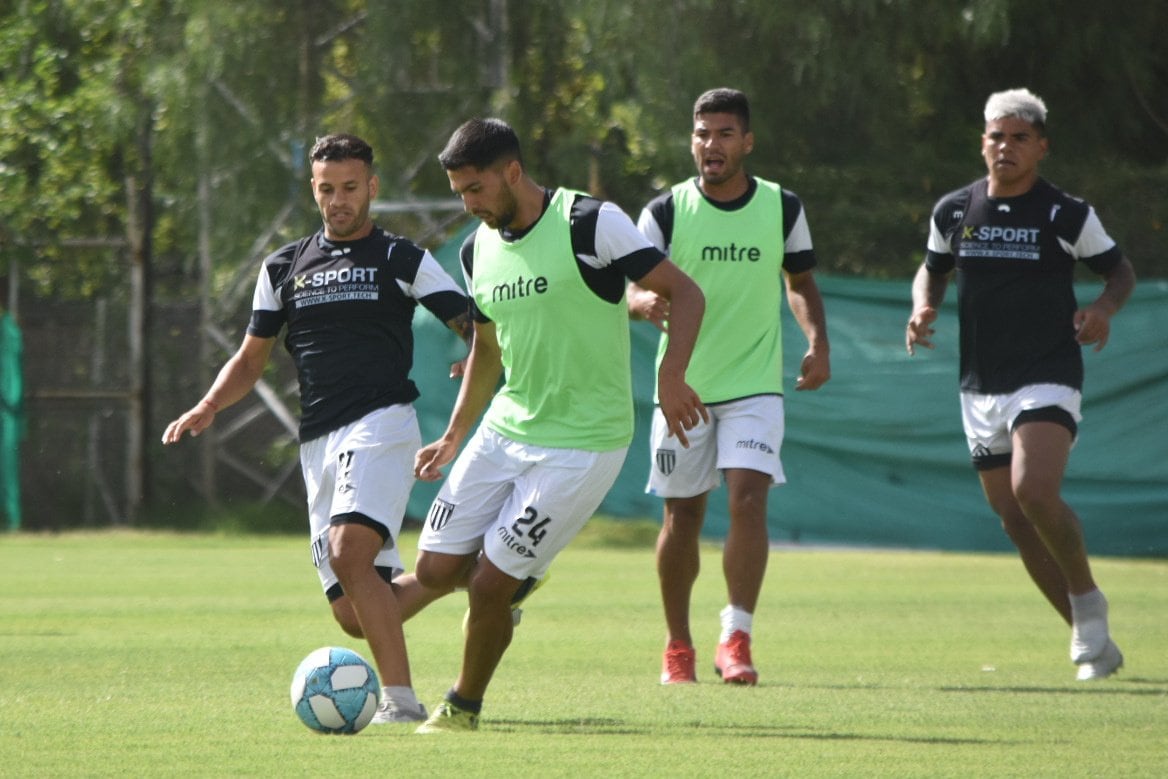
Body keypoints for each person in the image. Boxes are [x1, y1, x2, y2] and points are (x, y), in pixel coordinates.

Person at [410, 117, 707, 733]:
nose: (468, 204)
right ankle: (517, 578)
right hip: (505, 431)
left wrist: (671, 377)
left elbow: (686, 293)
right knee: (437, 571)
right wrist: (454, 434)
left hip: (583, 444)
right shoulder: (475, 249)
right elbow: (488, 354)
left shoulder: (590, 223)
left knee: (489, 585)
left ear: (512, 172)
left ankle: (463, 706)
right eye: (459, 192)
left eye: (475, 189)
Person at [162, 133, 470, 722]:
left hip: (381, 423)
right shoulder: (283, 267)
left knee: (348, 552)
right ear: (313, 189)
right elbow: (251, 359)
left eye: (350, 188)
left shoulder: (400, 258)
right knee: (354, 613)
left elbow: (470, 321)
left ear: (372, 188)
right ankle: (476, 573)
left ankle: (401, 702)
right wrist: (208, 405)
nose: (339, 201)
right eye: (327, 190)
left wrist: (473, 351)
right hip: (318, 443)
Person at [906, 88, 1136, 681]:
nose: (1004, 147)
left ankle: (1087, 601)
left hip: (1048, 373)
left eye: (1018, 138)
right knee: (1013, 519)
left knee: (1034, 491)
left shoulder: (1066, 214)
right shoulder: (954, 211)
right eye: (995, 136)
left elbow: (1118, 270)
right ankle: (1095, 642)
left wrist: (1104, 308)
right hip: (980, 383)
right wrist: (922, 308)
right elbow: (931, 272)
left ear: (1041, 148)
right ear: (982, 143)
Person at [627, 88, 831, 686]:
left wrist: (817, 342)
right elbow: (631, 284)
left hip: (755, 385)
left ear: (747, 142)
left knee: (747, 498)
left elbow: (800, 282)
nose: (710, 145)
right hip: (682, 388)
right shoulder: (664, 211)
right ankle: (678, 646)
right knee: (682, 518)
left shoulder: (782, 207)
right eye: (701, 134)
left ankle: (736, 637)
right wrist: (641, 301)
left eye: (722, 134)